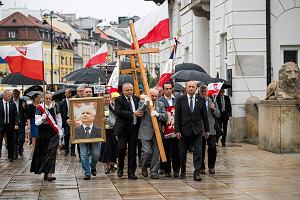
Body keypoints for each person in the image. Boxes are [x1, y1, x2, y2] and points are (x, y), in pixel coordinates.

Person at [175, 80, 210, 181]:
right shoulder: (180, 99)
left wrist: (207, 130)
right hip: (183, 130)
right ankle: (183, 171)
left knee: (198, 152)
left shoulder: (201, 99)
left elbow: (204, 116)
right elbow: (177, 116)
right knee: (182, 153)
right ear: (186, 88)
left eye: (193, 87)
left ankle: (197, 172)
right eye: (189, 86)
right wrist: (177, 130)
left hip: (197, 130)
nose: (191, 88)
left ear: (196, 88)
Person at [30, 92, 63, 181]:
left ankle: (49, 173)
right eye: (46, 99)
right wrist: (42, 118)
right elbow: (37, 123)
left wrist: (60, 131)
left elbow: (59, 119)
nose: (48, 100)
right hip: (43, 133)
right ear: (43, 99)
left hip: (53, 132)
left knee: (52, 152)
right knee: (44, 153)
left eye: (50, 98)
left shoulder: (55, 106)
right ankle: (45, 172)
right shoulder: (39, 108)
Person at [114, 83, 143, 180]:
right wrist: (132, 113)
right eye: (127, 90)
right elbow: (118, 112)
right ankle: (120, 167)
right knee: (121, 149)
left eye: (131, 89)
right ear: (123, 91)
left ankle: (131, 172)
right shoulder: (119, 100)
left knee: (132, 151)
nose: (130, 92)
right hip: (123, 129)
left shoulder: (136, 99)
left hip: (134, 129)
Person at [138, 88, 167, 179]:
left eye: (156, 96)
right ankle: (143, 168)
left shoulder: (161, 104)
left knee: (156, 153)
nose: (154, 98)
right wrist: (145, 103)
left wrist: (158, 115)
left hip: (157, 132)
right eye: (152, 96)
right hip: (145, 131)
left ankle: (154, 171)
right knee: (146, 152)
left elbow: (165, 116)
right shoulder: (142, 102)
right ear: (148, 95)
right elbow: (139, 112)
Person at [76, 87, 101, 180]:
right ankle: (87, 173)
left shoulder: (97, 103)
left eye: (90, 91)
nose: (89, 93)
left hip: (95, 132)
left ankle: (92, 166)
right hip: (81, 132)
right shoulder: (77, 103)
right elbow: (71, 116)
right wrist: (68, 121)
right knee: (83, 154)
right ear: (83, 93)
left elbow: (101, 115)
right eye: (87, 92)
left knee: (96, 153)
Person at [159, 81, 180, 178]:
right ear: (163, 90)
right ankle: (167, 170)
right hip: (165, 129)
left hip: (176, 129)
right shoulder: (160, 101)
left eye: (169, 88)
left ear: (172, 89)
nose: (168, 90)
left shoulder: (177, 100)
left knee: (176, 150)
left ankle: (176, 170)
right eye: (166, 89)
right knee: (166, 150)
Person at [199, 85, 220, 174]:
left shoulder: (212, 101)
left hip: (211, 129)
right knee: (201, 149)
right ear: (200, 93)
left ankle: (211, 166)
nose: (204, 93)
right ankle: (201, 167)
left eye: (205, 91)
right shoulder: (197, 101)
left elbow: (218, 115)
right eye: (202, 92)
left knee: (212, 148)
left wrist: (214, 109)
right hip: (201, 130)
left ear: (207, 92)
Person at [99, 93, 117, 174]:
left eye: (108, 97)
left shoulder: (113, 106)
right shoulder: (99, 107)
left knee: (114, 147)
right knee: (107, 148)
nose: (106, 99)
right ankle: (108, 165)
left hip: (114, 130)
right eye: (105, 97)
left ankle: (113, 163)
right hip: (104, 130)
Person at [0, 90, 18, 162]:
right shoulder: (0, 103)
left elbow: (16, 115)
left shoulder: (12, 104)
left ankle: (10, 156)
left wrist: (16, 124)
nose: (10, 97)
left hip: (10, 125)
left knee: (11, 141)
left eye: (11, 96)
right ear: (4, 96)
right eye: (9, 96)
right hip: (1, 125)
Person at [11, 89, 27, 159]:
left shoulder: (23, 102)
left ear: (19, 94)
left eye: (17, 94)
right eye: (15, 94)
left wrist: (24, 108)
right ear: (12, 94)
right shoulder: (10, 102)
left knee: (22, 139)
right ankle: (15, 153)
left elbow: (26, 113)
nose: (16, 95)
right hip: (13, 123)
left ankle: (20, 149)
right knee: (14, 138)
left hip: (21, 123)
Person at [60, 89, 74, 156]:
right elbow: (61, 112)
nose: (65, 94)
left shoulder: (74, 100)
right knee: (67, 135)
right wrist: (65, 120)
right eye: (65, 93)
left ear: (70, 93)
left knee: (73, 135)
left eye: (67, 93)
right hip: (66, 120)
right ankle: (66, 150)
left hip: (74, 120)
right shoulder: (62, 102)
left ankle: (73, 151)